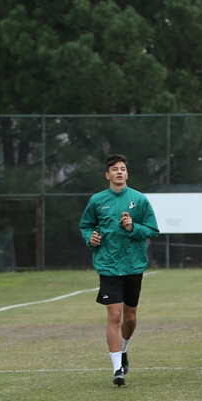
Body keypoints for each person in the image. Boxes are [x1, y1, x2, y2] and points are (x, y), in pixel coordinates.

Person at [79, 153, 159, 386]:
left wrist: (133, 227)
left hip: (133, 264)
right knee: (114, 314)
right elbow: (86, 225)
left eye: (123, 168)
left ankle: (123, 350)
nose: (119, 172)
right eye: (115, 169)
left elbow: (152, 229)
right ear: (108, 174)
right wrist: (90, 238)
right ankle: (117, 370)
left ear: (127, 173)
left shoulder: (139, 199)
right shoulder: (97, 200)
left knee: (130, 317)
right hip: (108, 265)